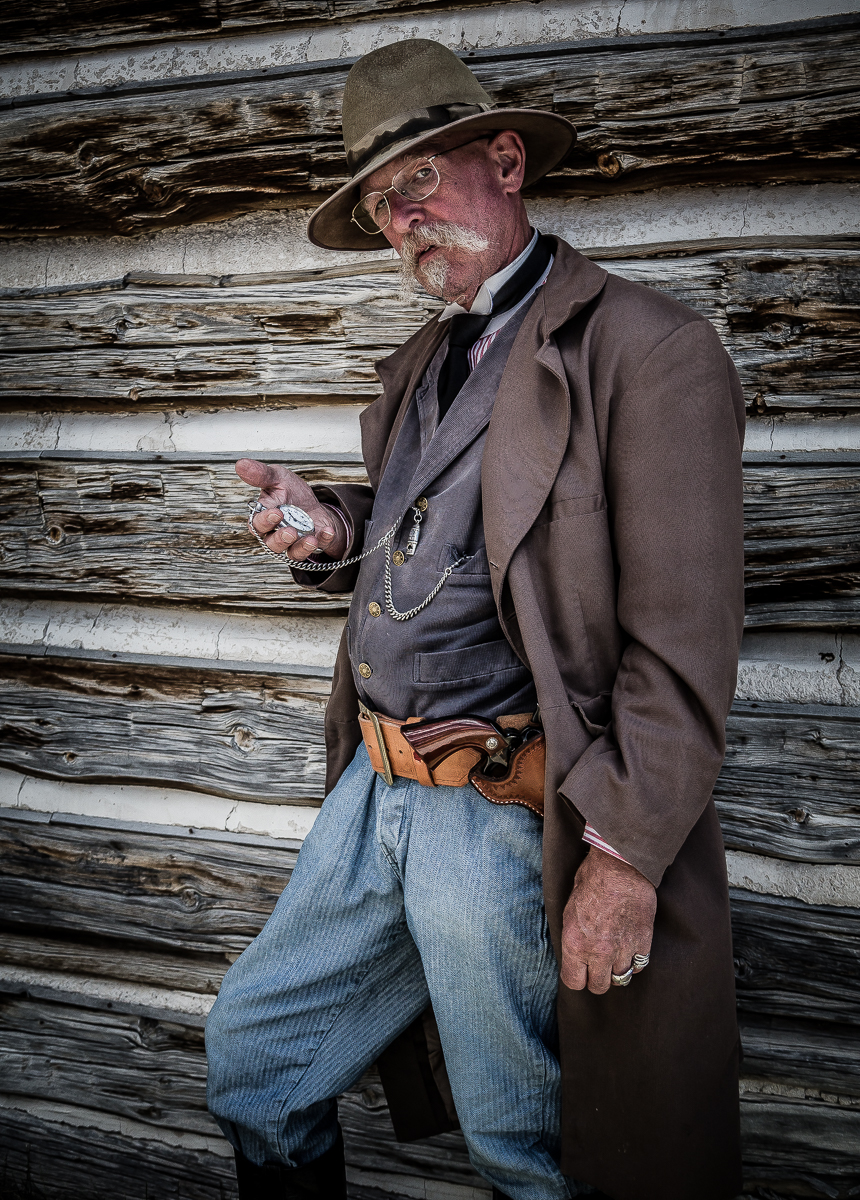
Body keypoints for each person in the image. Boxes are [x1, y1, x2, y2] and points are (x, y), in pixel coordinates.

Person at [206, 38, 745, 1200]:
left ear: (504, 161)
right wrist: (337, 528)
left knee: (522, 1148)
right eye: (379, 205)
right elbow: (454, 521)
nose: (402, 221)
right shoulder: (421, 365)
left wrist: (622, 854)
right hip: (377, 782)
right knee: (258, 1061)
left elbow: (682, 643)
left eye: (417, 182)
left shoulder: (647, 350)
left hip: (504, 805)